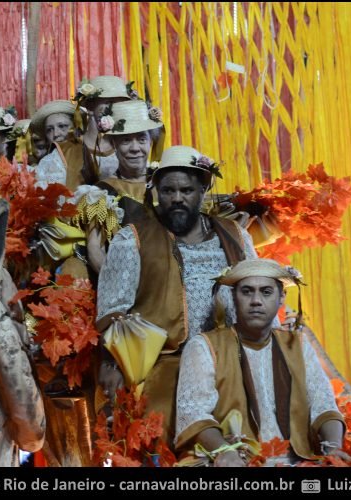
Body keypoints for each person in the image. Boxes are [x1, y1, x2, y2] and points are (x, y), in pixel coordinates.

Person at [95, 145, 259, 446]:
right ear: (156, 190)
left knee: (245, 443)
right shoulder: (132, 238)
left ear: (203, 189)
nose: (177, 198)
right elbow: (112, 310)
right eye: (168, 190)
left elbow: (257, 289)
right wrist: (111, 364)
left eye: (187, 190)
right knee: (167, 450)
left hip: (230, 361)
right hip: (166, 364)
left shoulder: (235, 234)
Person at [175, 259, 345, 465]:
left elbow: (323, 404)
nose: (256, 300)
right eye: (247, 291)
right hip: (235, 459)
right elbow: (193, 413)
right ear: (233, 297)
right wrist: (224, 451)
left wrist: (334, 448)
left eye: (266, 292)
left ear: (281, 297)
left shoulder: (297, 344)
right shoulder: (204, 346)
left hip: (300, 459)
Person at [85, 99, 163, 272]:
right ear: (114, 145)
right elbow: (94, 249)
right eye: (126, 141)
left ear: (150, 142)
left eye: (142, 139)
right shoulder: (102, 192)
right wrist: (119, 284)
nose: (135, 148)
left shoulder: (164, 183)